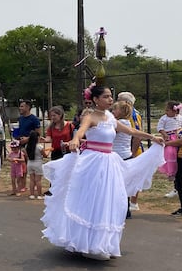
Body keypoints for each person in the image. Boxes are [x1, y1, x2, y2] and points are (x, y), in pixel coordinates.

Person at [41, 85, 164, 260]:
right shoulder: (90, 116)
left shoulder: (111, 117)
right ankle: (86, 243)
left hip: (109, 162)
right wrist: (75, 140)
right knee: (92, 199)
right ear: (96, 99)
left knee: (109, 200)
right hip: (93, 162)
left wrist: (152, 137)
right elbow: (80, 132)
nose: (110, 99)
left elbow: (131, 131)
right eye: (106, 96)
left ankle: (102, 243)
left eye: (110, 96)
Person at [157, 101, 182, 185]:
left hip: (180, 137)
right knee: (170, 152)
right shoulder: (164, 118)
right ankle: (171, 172)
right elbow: (160, 127)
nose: (166, 112)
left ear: (174, 111)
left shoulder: (181, 118)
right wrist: (164, 134)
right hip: (169, 138)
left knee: (180, 153)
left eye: (167, 110)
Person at [24, 131, 47, 199]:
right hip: (38, 163)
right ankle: (39, 195)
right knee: (38, 180)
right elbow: (45, 155)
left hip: (30, 163)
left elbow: (26, 155)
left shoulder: (27, 146)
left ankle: (32, 194)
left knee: (32, 180)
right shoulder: (39, 147)